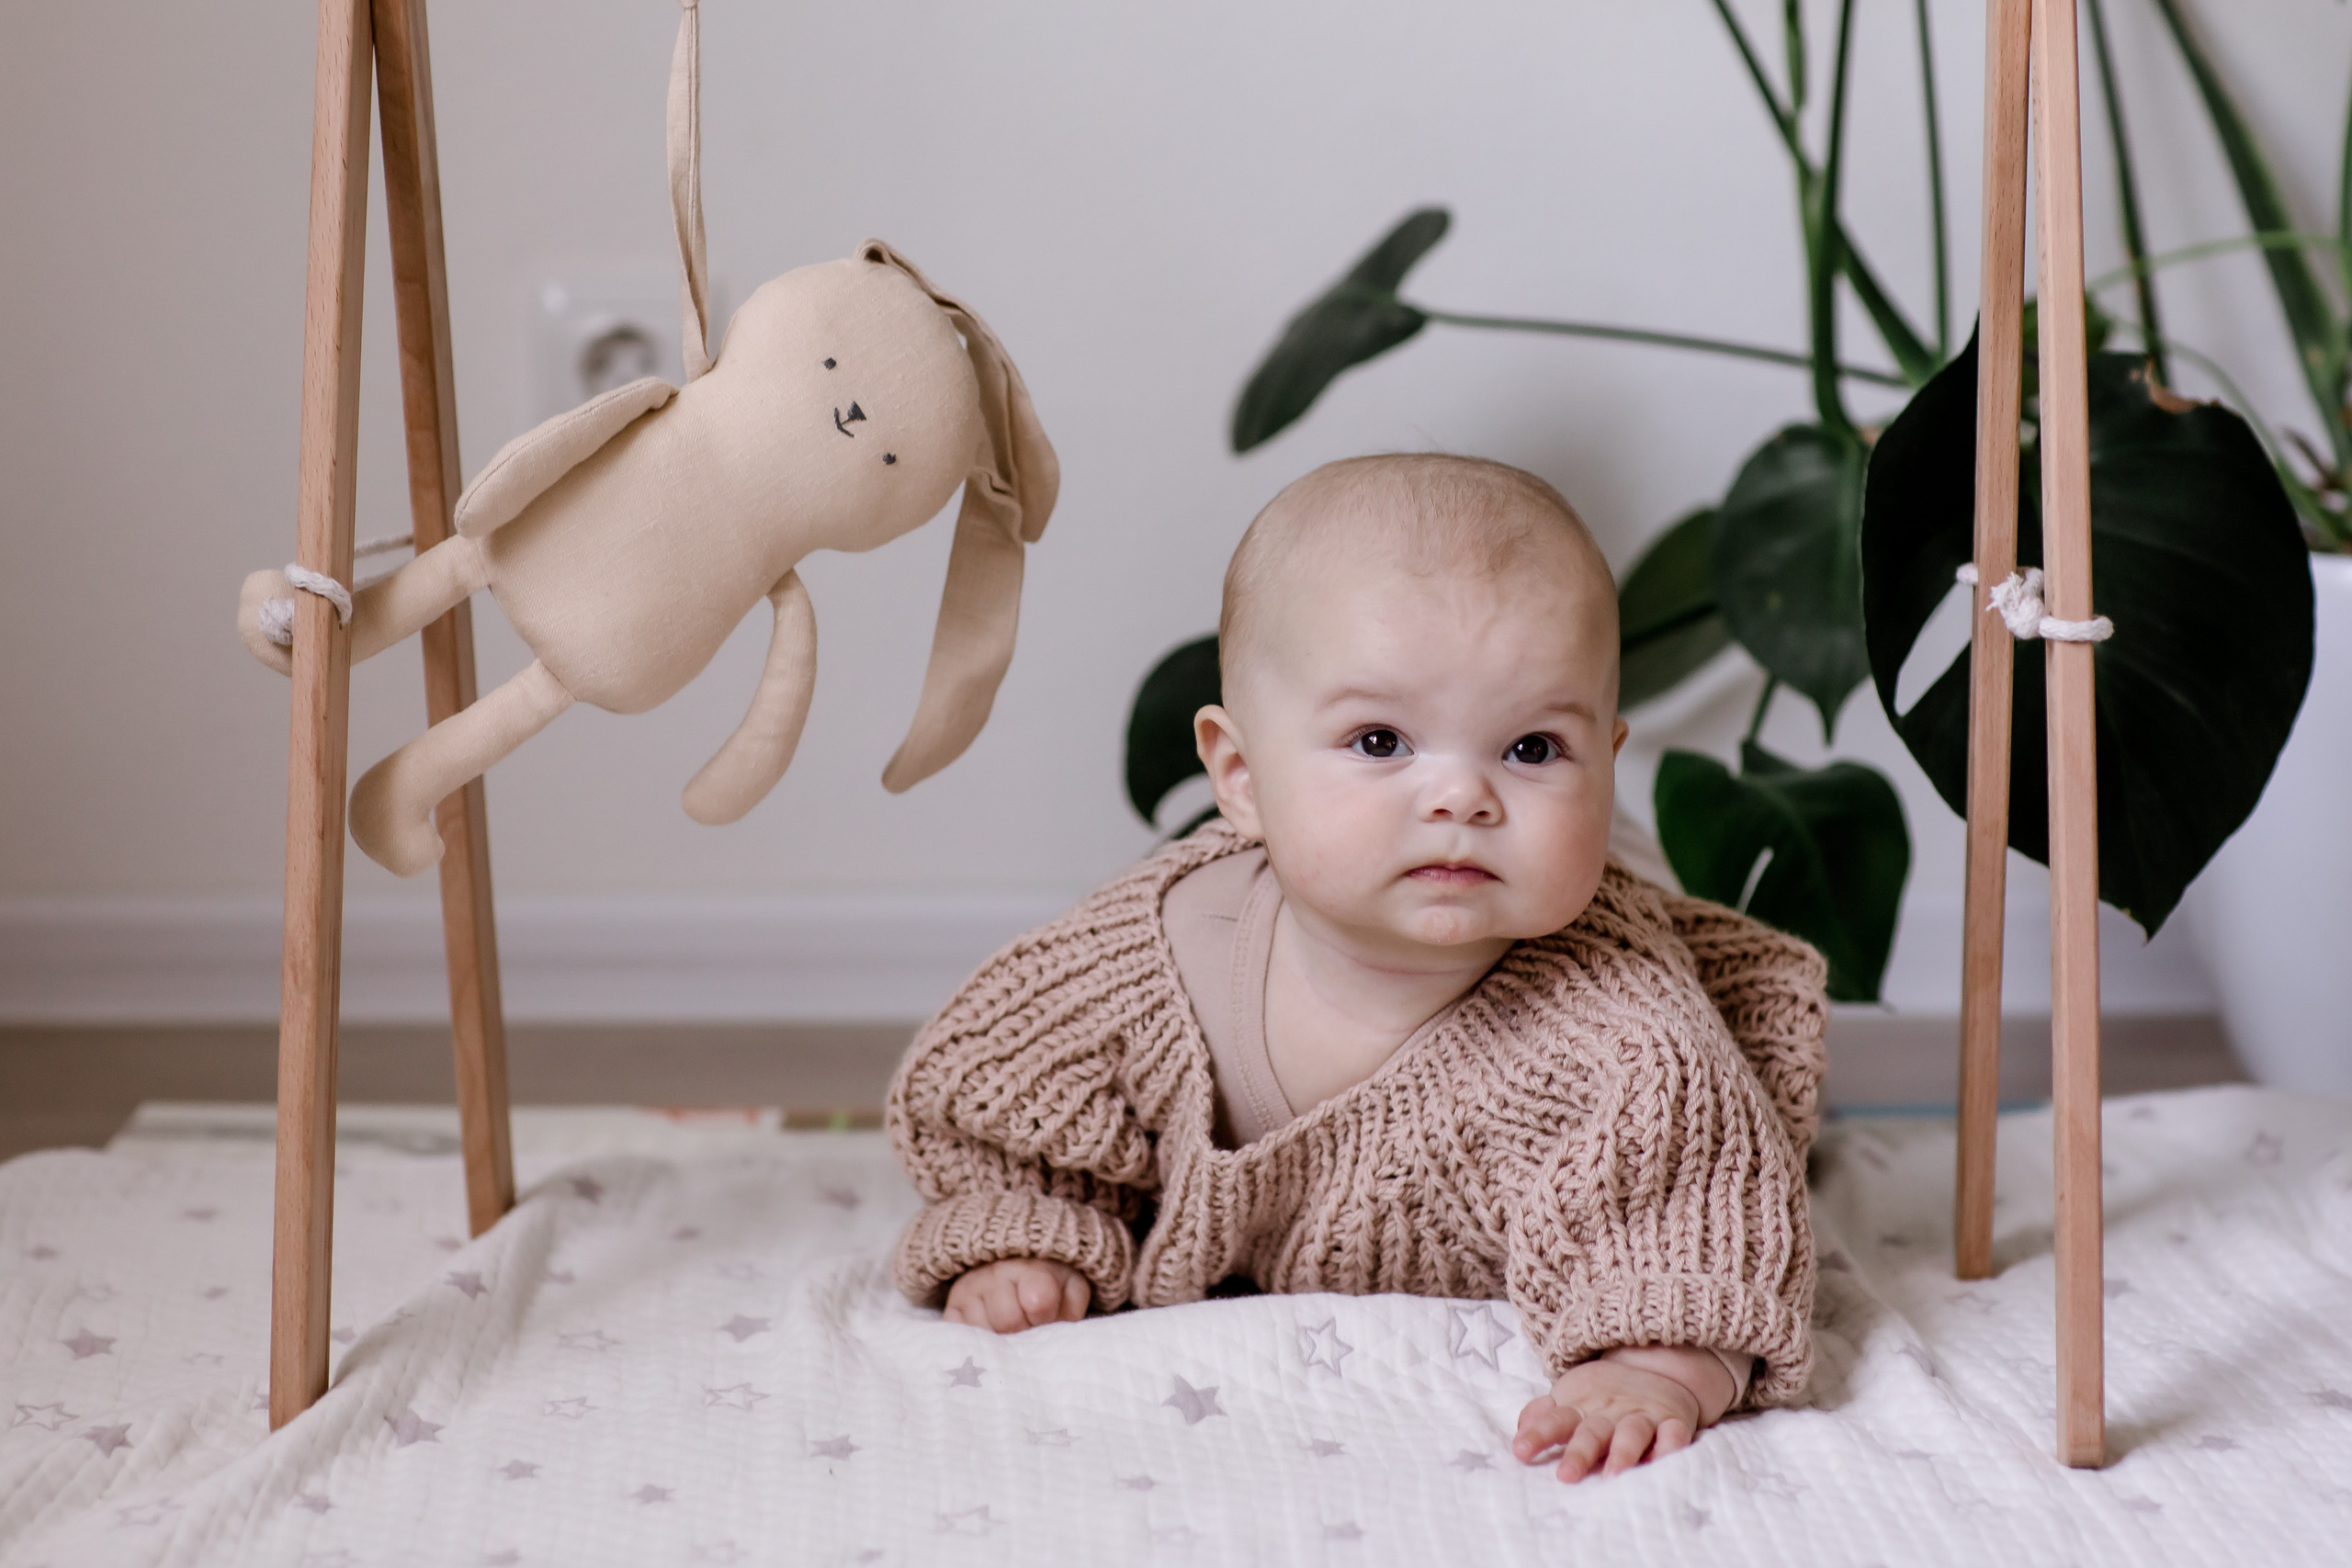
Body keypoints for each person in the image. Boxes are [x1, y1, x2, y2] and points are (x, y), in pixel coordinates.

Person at [886, 454, 1826, 1483]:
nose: (1461, 796)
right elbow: (997, 1099)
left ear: (1606, 755)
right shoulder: (1155, 952)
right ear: (1239, 778)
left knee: (1725, 1139)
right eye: (1381, 740)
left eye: (1532, 750)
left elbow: (1687, 1214)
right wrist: (1029, 1233)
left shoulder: (1622, 1031)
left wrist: (1662, 1364)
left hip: (1631, 1139)